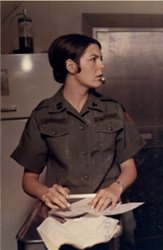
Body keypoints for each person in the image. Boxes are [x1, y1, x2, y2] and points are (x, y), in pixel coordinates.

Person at [11, 33, 146, 249]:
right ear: (71, 66)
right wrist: (45, 192)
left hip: (112, 221)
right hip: (65, 222)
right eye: (94, 59)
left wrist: (115, 188)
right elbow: (29, 179)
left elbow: (129, 168)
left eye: (101, 59)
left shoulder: (113, 109)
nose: (101, 65)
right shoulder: (42, 114)